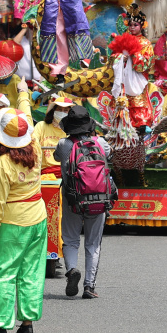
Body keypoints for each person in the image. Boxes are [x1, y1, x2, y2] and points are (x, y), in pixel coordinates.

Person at [0, 108, 45, 333]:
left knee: (3, 274)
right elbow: (25, 117)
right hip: (38, 217)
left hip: (11, 222)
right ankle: (27, 326)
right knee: (31, 273)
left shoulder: (4, 163)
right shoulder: (36, 150)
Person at [56, 105, 111, 299]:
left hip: (73, 199)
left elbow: (57, 158)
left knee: (70, 240)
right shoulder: (101, 143)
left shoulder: (64, 145)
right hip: (98, 199)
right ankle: (89, 286)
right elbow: (109, 156)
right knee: (93, 244)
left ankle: (71, 270)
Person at [32, 95, 75, 178]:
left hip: (67, 172)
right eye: (59, 109)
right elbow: (33, 142)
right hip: (45, 173)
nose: (62, 112)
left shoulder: (72, 130)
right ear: (54, 110)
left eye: (65, 110)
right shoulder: (42, 126)